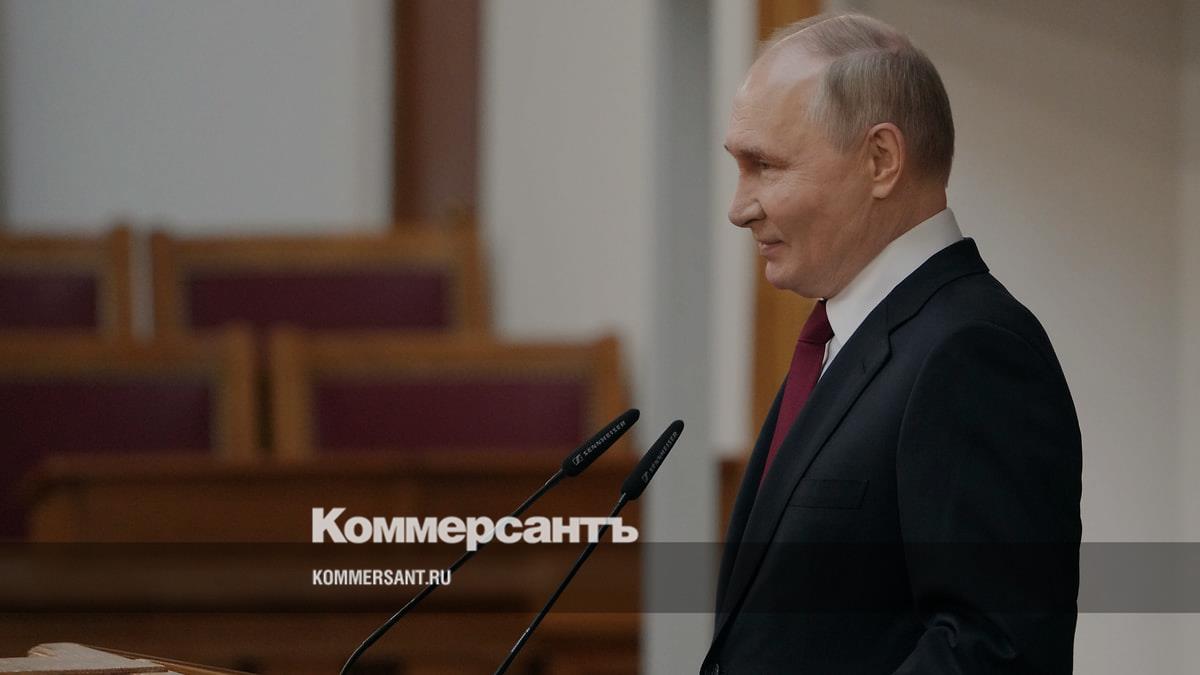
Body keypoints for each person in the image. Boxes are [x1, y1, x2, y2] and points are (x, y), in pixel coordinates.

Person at [703, 13, 1081, 674]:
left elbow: (993, 649)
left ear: (880, 160)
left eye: (764, 166)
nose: (739, 208)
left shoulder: (973, 351)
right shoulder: (844, 338)